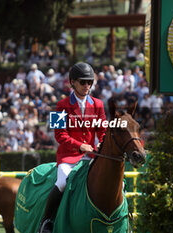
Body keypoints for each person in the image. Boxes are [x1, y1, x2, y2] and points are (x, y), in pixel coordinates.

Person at [38, 62, 107, 233]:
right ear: (72, 82)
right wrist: (81, 146)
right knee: (62, 183)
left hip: (92, 156)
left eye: (89, 82)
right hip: (68, 157)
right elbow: (59, 135)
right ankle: (47, 221)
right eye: (83, 82)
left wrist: (100, 143)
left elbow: (104, 130)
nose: (87, 86)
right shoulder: (61, 105)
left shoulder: (98, 104)